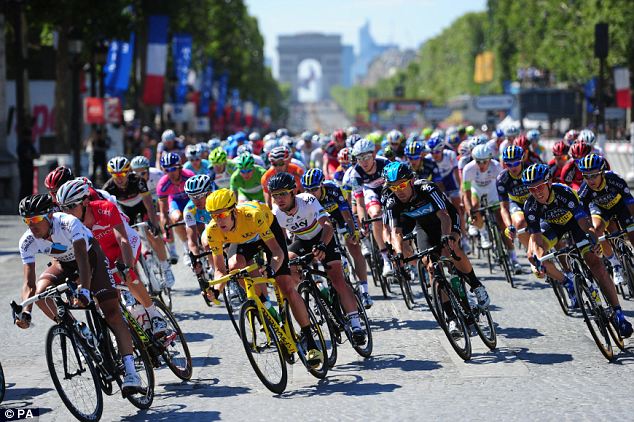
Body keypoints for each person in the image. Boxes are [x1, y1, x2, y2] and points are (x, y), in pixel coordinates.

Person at [16, 194, 144, 393]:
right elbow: (29, 283)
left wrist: (84, 289)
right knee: (42, 294)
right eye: (26, 221)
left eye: (35, 220)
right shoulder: (27, 241)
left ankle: (131, 372)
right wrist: (26, 311)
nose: (31, 226)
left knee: (111, 313)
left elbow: (83, 259)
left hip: (90, 258)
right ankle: (77, 329)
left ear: (50, 215)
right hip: (63, 264)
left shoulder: (68, 223)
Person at [205, 188, 324, 367]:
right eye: (213, 216)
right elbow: (220, 270)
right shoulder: (213, 230)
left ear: (233, 211)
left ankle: (310, 341)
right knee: (235, 267)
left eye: (221, 214)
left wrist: (271, 268)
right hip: (242, 241)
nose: (218, 220)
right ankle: (263, 307)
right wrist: (215, 290)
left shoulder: (253, 215)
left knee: (286, 285)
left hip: (266, 233)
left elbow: (277, 252)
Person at [522, 163, 632, 338]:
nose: (537, 192)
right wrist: (539, 260)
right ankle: (568, 281)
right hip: (552, 228)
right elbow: (535, 239)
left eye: (539, 187)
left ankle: (618, 313)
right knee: (537, 254)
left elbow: (585, 223)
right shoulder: (530, 206)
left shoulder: (564, 193)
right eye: (531, 189)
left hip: (575, 224)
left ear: (548, 182)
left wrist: (594, 241)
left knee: (595, 263)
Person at [382, 162, 490, 334]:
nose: (399, 190)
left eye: (402, 185)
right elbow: (395, 232)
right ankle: (451, 318)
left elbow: (444, 215)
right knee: (431, 267)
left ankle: (476, 285)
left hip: (446, 220)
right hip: (424, 227)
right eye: (394, 187)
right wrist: (399, 254)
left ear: (411, 181)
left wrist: (447, 237)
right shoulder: (392, 200)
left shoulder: (427, 188)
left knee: (451, 249)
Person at [55, 180, 170, 337]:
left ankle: (154, 315)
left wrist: (127, 266)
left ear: (85, 201)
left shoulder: (105, 208)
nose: (66, 213)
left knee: (127, 276)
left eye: (71, 207)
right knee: (105, 293)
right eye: (63, 208)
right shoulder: (67, 225)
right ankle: (126, 331)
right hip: (103, 252)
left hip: (125, 242)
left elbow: (123, 239)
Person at [270, 172, 366, 345]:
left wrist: (322, 244)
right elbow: (279, 243)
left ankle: (355, 324)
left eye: (283, 193)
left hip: (322, 238)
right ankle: (310, 292)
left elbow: (327, 225)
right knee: (289, 266)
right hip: (300, 241)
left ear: (293, 192)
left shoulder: (307, 200)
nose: (279, 199)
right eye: (275, 195)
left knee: (337, 279)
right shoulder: (276, 213)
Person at [300, 168, 373, 309]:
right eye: (307, 190)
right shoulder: (304, 198)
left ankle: (364, 291)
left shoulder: (332, 189)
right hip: (320, 224)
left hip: (338, 217)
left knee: (354, 246)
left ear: (322, 185)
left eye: (314, 189)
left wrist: (353, 231)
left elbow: (346, 213)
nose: (311, 193)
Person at [102, 156, 176, 286]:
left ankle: (166, 267)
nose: (119, 178)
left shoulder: (137, 180)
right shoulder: (108, 188)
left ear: (129, 171)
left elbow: (149, 205)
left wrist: (154, 224)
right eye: (115, 174)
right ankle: (138, 278)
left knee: (152, 233)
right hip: (125, 211)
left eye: (123, 173)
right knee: (127, 242)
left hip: (142, 208)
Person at [577, 154, 634, 285]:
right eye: (586, 176)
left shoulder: (615, 179)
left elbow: (630, 203)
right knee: (597, 230)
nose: (590, 180)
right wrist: (591, 237)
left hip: (621, 207)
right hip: (601, 210)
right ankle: (615, 265)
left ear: (602, 172)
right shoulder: (584, 190)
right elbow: (585, 219)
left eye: (594, 175)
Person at [348, 139, 393, 277]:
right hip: (370, 192)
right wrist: (363, 225)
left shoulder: (385, 163)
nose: (364, 162)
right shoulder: (355, 173)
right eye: (359, 158)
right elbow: (360, 203)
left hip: (388, 189)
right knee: (375, 215)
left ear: (373, 154)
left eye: (366, 157)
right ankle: (386, 259)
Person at [156, 152, 195, 265]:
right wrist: (165, 229)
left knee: (193, 217)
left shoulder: (189, 175)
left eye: (173, 168)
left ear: (179, 167)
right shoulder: (163, 184)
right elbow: (163, 211)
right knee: (176, 219)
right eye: (167, 170)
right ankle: (186, 249)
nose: (171, 173)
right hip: (175, 202)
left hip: (190, 199)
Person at [497, 145, 532, 255]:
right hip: (515, 202)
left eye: (516, 163)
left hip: (533, 200)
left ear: (522, 160)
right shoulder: (502, 179)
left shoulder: (530, 170)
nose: (513, 167)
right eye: (508, 164)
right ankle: (531, 251)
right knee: (519, 223)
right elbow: (503, 207)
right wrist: (509, 226)